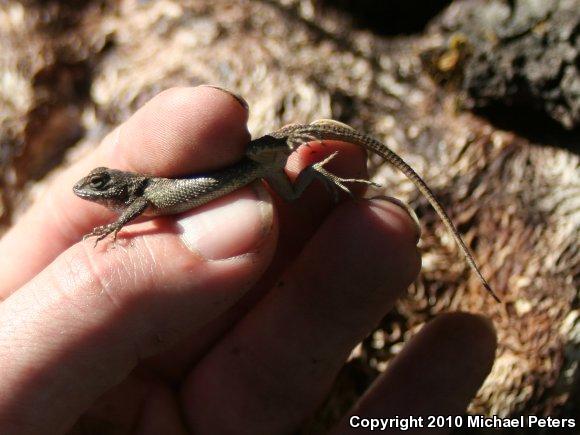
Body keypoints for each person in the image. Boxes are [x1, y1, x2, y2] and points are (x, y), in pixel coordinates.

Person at [0, 86, 496, 434]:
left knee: (263, 155)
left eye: (99, 187)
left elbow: (132, 208)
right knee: (297, 196)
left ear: (116, 185)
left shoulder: (140, 195)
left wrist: (112, 228)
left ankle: (322, 167)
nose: (91, 193)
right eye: (95, 189)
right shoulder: (146, 193)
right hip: (256, 175)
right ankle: (324, 177)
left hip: (254, 160)